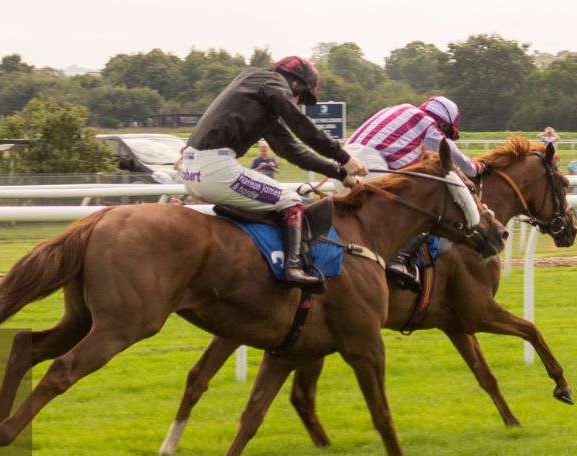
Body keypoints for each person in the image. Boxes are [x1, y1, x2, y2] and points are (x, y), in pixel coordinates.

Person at [179, 56, 367, 292]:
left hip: (193, 171)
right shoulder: (271, 82)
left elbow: (295, 153)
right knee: (290, 200)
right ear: (296, 84)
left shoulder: (257, 98)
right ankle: (292, 269)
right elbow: (301, 124)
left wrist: (340, 174)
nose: (298, 103)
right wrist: (344, 157)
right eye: (301, 97)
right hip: (215, 169)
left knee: (277, 197)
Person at [341, 96, 483, 291]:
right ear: (441, 123)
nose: (445, 137)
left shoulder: (399, 110)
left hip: (343, 160)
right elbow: (452, 156)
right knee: (420, 208)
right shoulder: (426, 122)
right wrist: (476, 168)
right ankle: (398, 259)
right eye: (447, 132)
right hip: (368, 163)